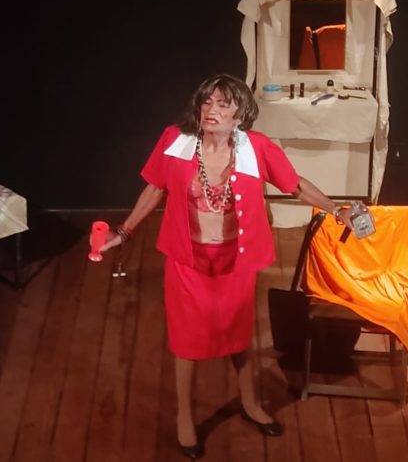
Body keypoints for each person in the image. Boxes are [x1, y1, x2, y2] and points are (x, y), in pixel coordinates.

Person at [100, 73, 353, 459]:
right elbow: (155, 187)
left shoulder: (256, 148)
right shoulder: (176, 140)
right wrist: (124, 231)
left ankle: (250, 403)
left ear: (241, 113)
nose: (211, 110)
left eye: (222, 104)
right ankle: (185, 418)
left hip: (235, 262)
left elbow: (295, 185)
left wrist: (336, 209)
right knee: (186, 340)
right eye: (207, 102)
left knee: (238, 335)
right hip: (188, 261)